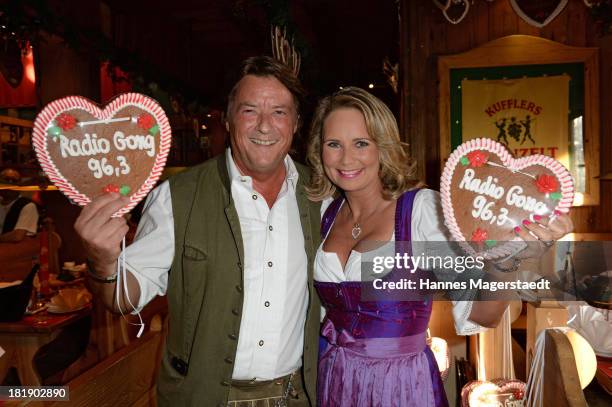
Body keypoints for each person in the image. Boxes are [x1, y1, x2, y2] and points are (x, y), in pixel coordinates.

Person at [74, 56, 322, 407]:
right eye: (250, 110)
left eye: (279, 112)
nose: (265, 126)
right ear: (228, 117)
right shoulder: (176, 197)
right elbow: (123, 301)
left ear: (296, 122)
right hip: (200, 398)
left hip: (295, 397)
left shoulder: (321, 196)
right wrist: (102, 262)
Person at [305, 87, 574, 406]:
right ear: (319, 151)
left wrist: (521, 259)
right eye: (333, 144)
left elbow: (481, 312)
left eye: (361, 143)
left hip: (400, 386)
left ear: (383, 147)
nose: (346, 158)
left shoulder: (420, 212)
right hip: (335, 379)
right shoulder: (324, 213)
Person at [0, 170, 39, 243]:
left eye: (14, 181)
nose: (10, 184)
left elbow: (17, 236)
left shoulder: (28, 206)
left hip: (14, 251)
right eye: (6, 180)